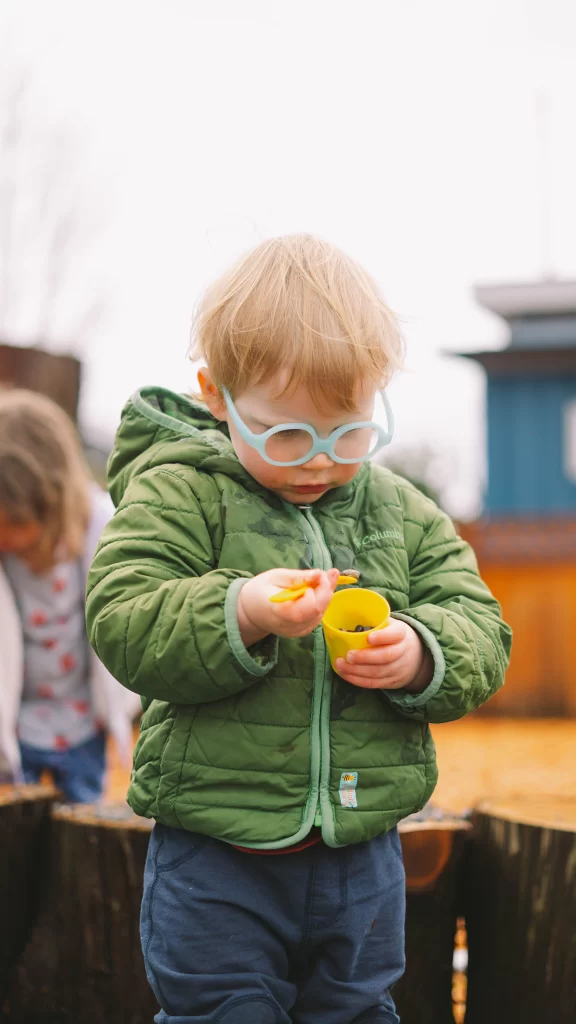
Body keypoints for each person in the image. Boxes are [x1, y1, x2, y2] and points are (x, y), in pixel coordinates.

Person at [86, 235, 512, 1024]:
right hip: (216, 853)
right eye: (286, 435)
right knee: (223, 1012)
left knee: (357, 1010)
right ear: (217, 396)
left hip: (361, 853)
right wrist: (239, 611)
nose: (318, 461)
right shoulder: (183, 494)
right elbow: (121, 613)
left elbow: (481, 623)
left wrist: (423, 653)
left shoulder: (401, 512)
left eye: (346, 434)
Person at [0, 389, 141, 801]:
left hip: (82, 728)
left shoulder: (102, 535)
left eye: (15, 521)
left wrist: (118, 712)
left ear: (49, 502)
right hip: (15, 729)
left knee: (81, 840)